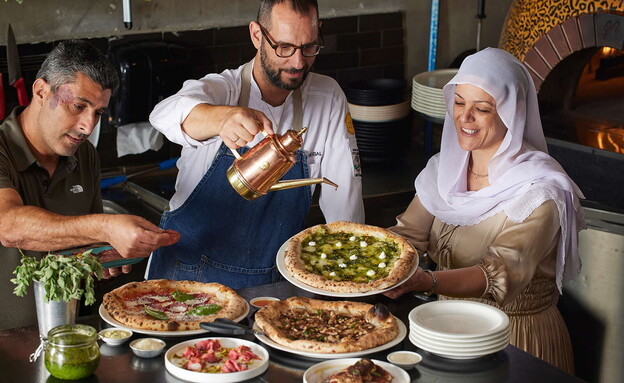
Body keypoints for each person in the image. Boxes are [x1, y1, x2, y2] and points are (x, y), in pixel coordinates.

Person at [384, 48, 585, 374]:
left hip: (516, 339)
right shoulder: (443, 172)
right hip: (445, 331)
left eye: (482, 108)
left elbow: (499, 275)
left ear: (513, 112)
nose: (464, 117)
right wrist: (349, 255)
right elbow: (407, 235)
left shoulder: (540, 191)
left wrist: (424, 280)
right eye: (460, 102)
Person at [147, 0, 364, 289]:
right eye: (284, 47)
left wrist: (354, 278)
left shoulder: (327, 97)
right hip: (187, 279)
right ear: (257, 35)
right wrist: (220, 118)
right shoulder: (222, 89)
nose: (298, 62)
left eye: (309, 47)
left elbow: (344, 202)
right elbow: (163, 114)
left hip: (270, 285)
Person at [0, 40, 178, 330]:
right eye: (78, 106)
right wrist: (106, 227)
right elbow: (8, 226)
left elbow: (81, 246)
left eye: (97, 112)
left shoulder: (85, 155)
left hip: (70, 333)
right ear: (41, 92)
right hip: (7, 345)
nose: (88, 126)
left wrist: (104, 255)